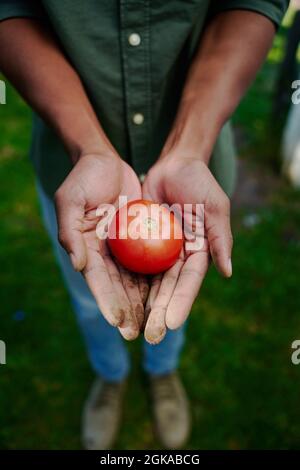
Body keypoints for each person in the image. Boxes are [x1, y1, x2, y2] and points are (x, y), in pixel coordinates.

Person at [0, 0, 288, 450]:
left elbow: (253, 3)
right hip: (76, 186)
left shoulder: (182, 219)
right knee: (92, 301)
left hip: (193, 181)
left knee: (172, 307)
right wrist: (88, 147)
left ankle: (163, 372)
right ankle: (110, 376)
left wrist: (190, 148)